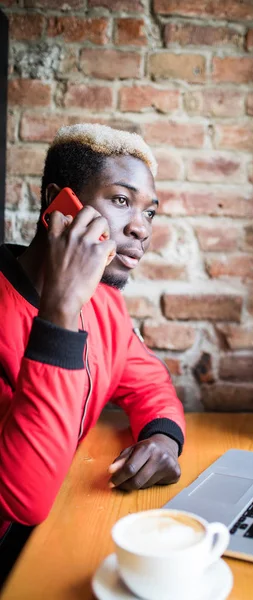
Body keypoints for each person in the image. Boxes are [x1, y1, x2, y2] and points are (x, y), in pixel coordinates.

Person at [0, 124, 186, 547]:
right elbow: (21, 501)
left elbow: (150, 385)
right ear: (57, 203)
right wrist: (61, 310)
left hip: (61, 518)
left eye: (149, 211)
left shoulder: (105, 305)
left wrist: (163, 438)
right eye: (121, 201)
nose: (141, 228)